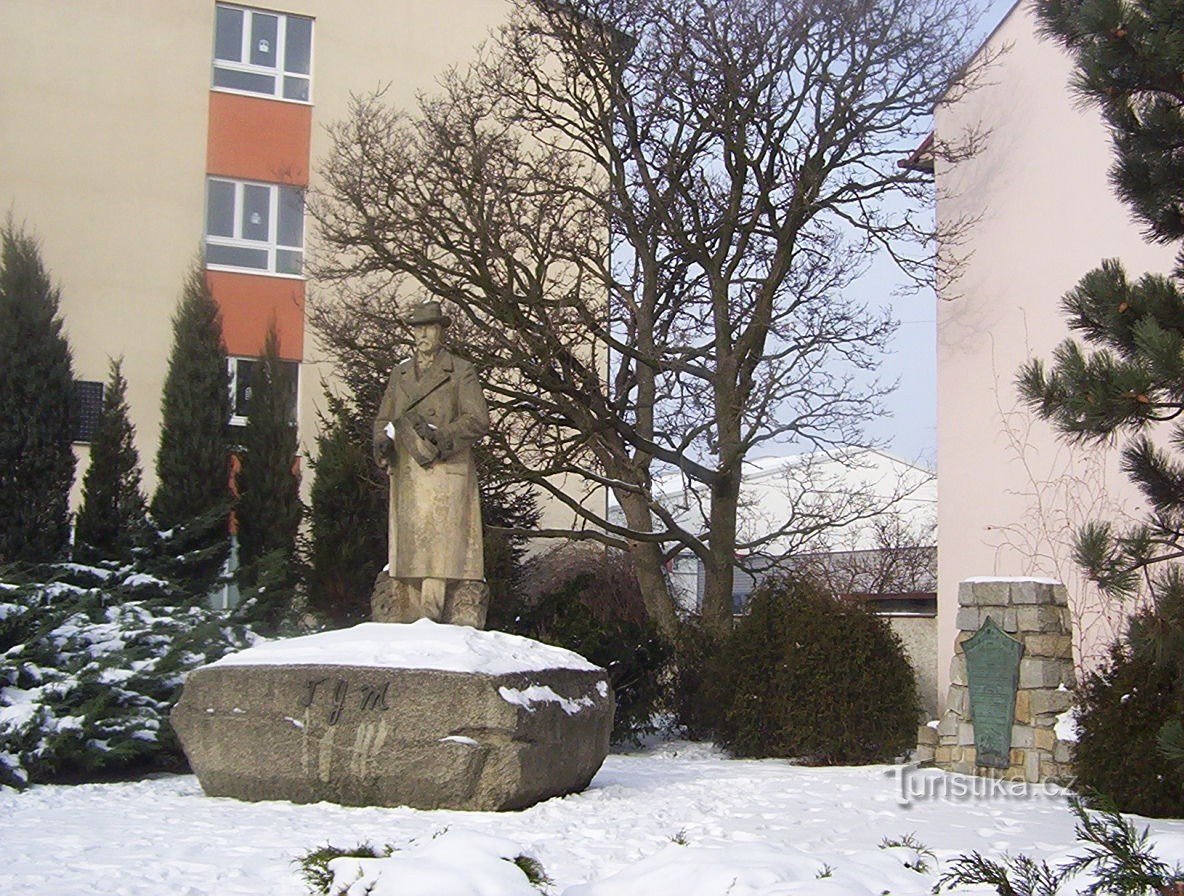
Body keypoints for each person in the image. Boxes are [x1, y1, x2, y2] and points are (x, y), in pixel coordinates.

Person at [373, 300, 490, 626]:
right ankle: (409, 615)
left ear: (441, 331)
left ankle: (435, 617)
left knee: (442, 553)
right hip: (409, 470)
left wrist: (441, 436)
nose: (422, 334)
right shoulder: (401, 373)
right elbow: (384, 417)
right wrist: (381, 442)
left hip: (444, 470)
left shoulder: (460, 370)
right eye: (417, 328)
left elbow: (478, 420)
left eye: (428, 327)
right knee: (411, 550)